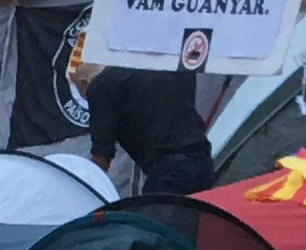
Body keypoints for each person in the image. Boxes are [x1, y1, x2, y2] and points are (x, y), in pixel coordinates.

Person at [71, 35, 215, 197]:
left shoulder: (100, 86)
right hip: (203, 161)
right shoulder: (151, 69)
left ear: (84, 82)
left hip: (169, 168)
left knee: (154, 219)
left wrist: (86, 190)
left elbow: (102, 155)